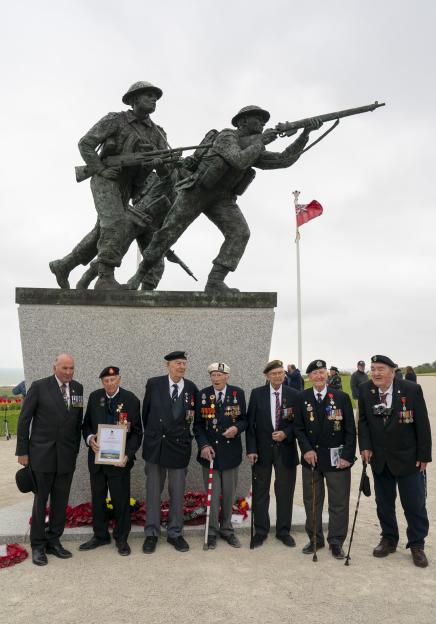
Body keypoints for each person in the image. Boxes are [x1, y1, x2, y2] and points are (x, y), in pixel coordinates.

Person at [127, 105, 322, 292]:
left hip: (222, 198)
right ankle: (140, 275)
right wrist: (261, 141)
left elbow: (282, 160)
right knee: (169, 233)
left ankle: (215, 281)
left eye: (264, 120)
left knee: (240, 233)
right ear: (243, 121)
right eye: (258, 118)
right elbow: (239, 160)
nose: (262, 122)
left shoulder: (255, 145)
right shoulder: (227, 136)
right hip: (198, 190)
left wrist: (305, 135)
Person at [49, 80, 171, 290]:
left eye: (155, 97)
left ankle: (64, 265)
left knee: (101, 232)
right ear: (134, 100)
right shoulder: (116, 120)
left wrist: (159, 166)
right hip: (107, 179)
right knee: (116, 224)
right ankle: (105, 278)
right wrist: (101, 169)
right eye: (148, 95)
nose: (153, 99)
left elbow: (167, 170)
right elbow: (85, 143)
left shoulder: (158, 133)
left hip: (127, 187)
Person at [358, 355, 432, 568]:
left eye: (381, 368)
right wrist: (365, 446)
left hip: (409, 459)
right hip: (380, 459)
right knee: (384, 502)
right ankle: (389, 538)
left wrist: (424, 455)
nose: (376, 373)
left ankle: (417, 544)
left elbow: (422, 424)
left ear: (393, 371)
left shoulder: (410, 390)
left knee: (414, 503)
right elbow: (363, 421)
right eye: (373, 369)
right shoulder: (366, 391)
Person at [15, 354, 83, 566]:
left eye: (71, 368)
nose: (69, 372)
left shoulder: (78, 388)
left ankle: (54, 541)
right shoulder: (39, 386)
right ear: (55, 367)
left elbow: (76, 421)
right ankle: (38, 545)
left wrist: (75, 450)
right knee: (40, 501)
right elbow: (24, 419)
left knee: (61, 502)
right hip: (42, 456)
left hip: (66, 457)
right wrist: (22, 452)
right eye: (65, 368)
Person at [294, 359, 356, 559]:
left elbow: (350, 430)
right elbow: (299, 428)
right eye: (315, 373)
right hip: (312, 459)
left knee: (338, 502)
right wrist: (306, 450)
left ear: (327, 374)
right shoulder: (302, 398)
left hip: (336, 460)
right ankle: (315, 539)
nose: (319, 376)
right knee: (312, 501)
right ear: (309, 377)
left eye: (322, 372)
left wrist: (347, 456)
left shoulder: (341, 397)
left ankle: (336, 541)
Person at [79, 366, 142, 556]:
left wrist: (128, 455)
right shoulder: (94, 397)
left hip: (119, 462)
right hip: (97, 460)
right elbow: (86, 425)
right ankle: (100, 536)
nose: (110, 384)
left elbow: (137, 433)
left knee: (120, 500)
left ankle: (121, 538)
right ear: (102, 382)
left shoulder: (131, 400)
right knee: (98, 498)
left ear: (119, 380)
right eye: (106, 381)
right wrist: (91, 440)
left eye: (113, 380)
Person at [141, 351, 198, 554]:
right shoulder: (154, 384)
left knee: (177, 492)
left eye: (184, 363)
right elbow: (145, 414)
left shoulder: (191, 388)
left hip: (178, 447)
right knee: (153, 491)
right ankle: (152, 534)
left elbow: (195, 418)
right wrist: (152, 436)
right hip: (156, 446)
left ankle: (175, 533)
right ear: (168, 365)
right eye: (177, 363)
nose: (181, 367)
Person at [246, 360, 300, 548]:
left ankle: (283, 531)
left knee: (285, 492)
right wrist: (251, 449)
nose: (278, 376)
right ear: (267, 376)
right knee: (261, 492)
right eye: (274, 373)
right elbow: (250, 426)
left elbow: (299, 424)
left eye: (281, 373)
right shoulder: (257, 394)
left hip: (286, 451)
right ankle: (260, 531)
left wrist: (286, 433)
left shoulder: (294, 395)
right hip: (262, 452)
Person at [194, 362, 247, 549]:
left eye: (219, 375)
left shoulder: (237, 393)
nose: (215, 379)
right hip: (210, 455)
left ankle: (227, 530)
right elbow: (198, 426)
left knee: (229, 494)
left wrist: (236, 428)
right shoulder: (202, 395)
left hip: (231, 453)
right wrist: (204, 445)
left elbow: (244, 419)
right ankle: (212, 531)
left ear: (227, 377)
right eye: (213, 375)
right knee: (213, 495)